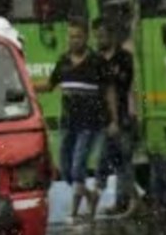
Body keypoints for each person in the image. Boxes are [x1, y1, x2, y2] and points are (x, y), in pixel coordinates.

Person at [41, 18, 119, 221]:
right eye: (71, 36)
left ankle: (76, 211)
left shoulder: (96, 62)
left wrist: (113, 120)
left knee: (78, 166)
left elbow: (110, 90)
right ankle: (90, 195)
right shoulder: (63, 60)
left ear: (85, 38)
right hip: (68, 123)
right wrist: (23, 86)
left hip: (90, 123)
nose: (73, 40)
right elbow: (49, 85)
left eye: (77, 36)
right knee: (65, 170)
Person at [93, 18, 139, 217]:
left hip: (123, 117)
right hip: (105, 119)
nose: (99, 40)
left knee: (120, 160)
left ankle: (128, 201)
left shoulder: (124, 58)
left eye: (102, 36)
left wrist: (120, 118)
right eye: (97, 36)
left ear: (112, 36)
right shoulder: (97, 60)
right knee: (117, 161)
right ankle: (125, 202)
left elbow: (125, 86)